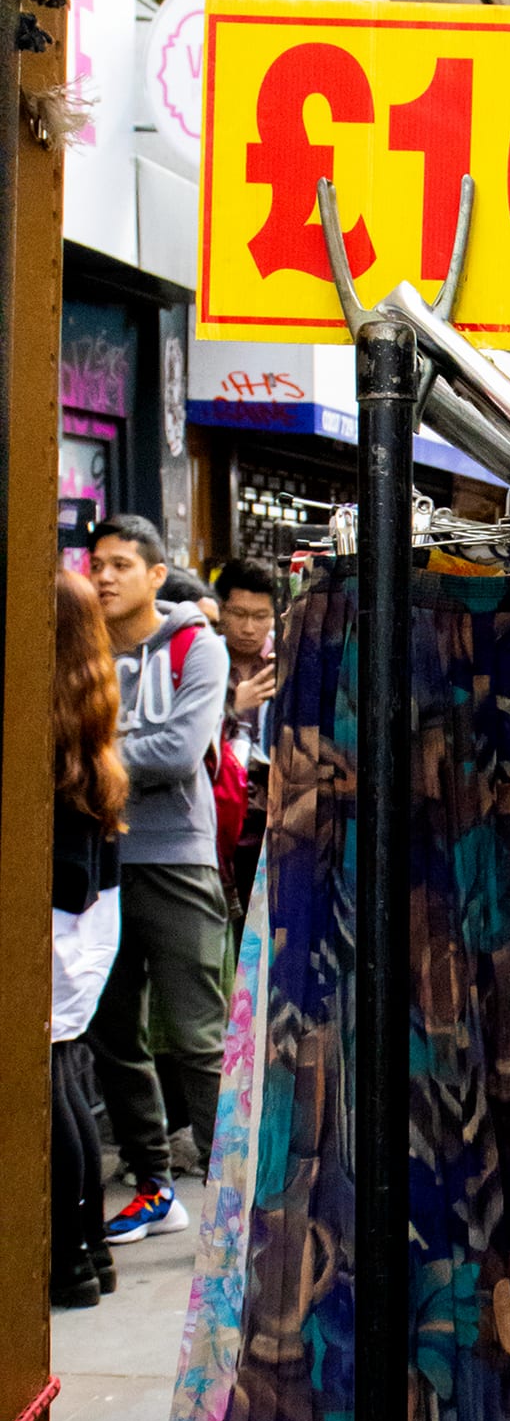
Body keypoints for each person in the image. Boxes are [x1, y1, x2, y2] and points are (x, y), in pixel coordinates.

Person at [86, 513, 230, 1244]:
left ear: (154, 573)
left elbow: (178, 753)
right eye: (96, 563)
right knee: (112, 1035)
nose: (103, 576)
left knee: (198, 1036)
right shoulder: (76, 648)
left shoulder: (194, 646)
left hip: (176, 858)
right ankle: (153, 1186)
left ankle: (231, 1208)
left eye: (119, 564)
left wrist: (87, 751)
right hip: (100, 860)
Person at [50, 568, 128, 1307]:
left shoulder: (47, 720)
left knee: (55, 1083)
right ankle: (88, 1255)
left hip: (58, 919)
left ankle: (71, 1260)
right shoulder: (84, 705)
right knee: (67, 1075)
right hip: (84, 918)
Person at [213, 557, 278, 921]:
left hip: (271, 812)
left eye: (261, 616)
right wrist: (234, 706)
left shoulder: (285, 658)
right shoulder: (205, 658)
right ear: (222, 610)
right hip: (221, 814)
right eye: (239, 614)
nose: (249, 627)